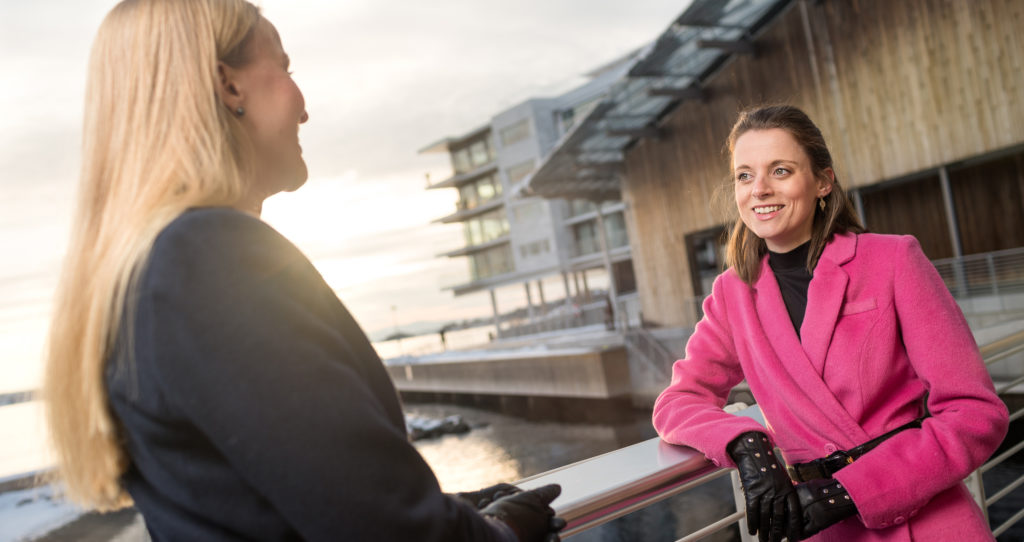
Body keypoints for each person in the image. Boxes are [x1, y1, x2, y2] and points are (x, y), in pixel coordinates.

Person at [42, 1, 564, 541]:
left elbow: (267, 498)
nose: (304, 107)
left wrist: (452, 508)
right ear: (228, 86)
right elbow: (385, 531)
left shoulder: (142, 273)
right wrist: (504, 533)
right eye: (285, 69)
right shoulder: (208, 261)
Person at [652, 105, 1008, 541]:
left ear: (823, 181)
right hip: (819, 528)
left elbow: (975, 413)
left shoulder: (892, 259)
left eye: (780, 171)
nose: (759, 189)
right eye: (745, 175)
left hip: (925, 519)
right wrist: (747, 444)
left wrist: (847, 493)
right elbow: (678, 401)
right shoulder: (732, 294)